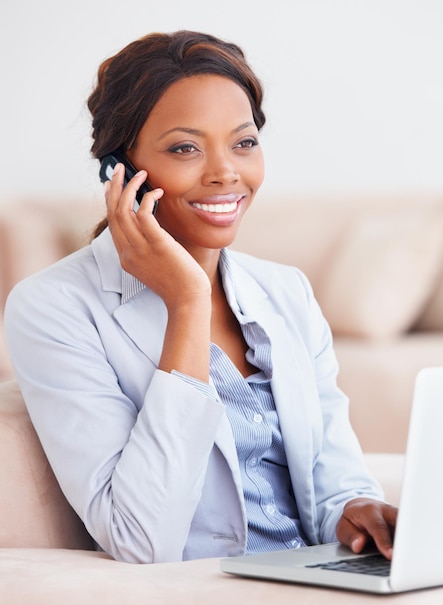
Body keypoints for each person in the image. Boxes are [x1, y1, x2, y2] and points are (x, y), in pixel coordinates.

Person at [5, 30, 397, 564]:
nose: (225, 173)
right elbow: (141, 541)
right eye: (185, 148)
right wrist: (187, 303)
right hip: (207, 599)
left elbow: (331, 480)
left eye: (244, 142)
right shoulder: (51, 309)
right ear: (119, 170)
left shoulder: (286, 292)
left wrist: (355, 510)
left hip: (318, 584)